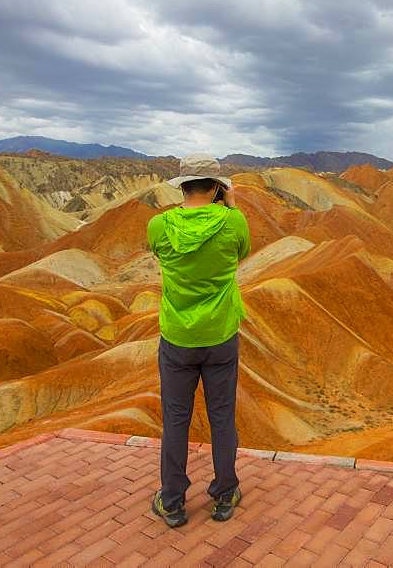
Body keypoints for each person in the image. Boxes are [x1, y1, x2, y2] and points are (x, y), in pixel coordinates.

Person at [146, 153, 251, 527]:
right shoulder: (233, 221)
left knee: (176, 420)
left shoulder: (159, 226)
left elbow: (157, 252)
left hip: (177, 337)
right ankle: (225, 495)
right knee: (222, 418)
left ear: (183, 185)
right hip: (221, 335)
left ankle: (172, 502)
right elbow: (243, 253)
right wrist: (232, 205)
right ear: (217, 187)